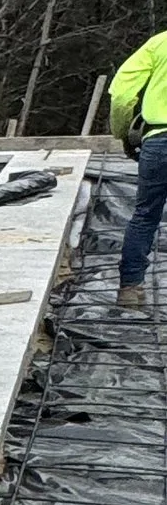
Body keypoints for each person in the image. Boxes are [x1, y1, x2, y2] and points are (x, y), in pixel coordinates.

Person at [107, 21, 167, 306]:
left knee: (145, 216)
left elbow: (121, 95)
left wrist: (123, 134)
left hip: (159, 140)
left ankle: (130, 289)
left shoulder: (159, 44)